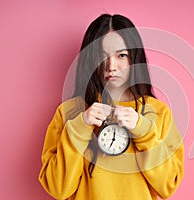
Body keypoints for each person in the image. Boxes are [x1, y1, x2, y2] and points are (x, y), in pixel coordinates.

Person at [39, 14, 184, 200]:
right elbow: (58, 188)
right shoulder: (69, 113)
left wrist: (144, 132)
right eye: (101, 56)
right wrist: (80, 127)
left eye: (122, 55)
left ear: (135, 59)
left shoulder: (158, 112)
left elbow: (168, 185)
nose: (111, 66)